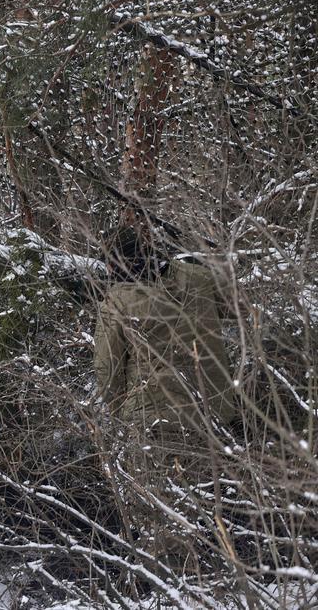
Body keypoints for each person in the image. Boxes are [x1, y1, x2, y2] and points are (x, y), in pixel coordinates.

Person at [93, 227, 237, 569]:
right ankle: (213, 579)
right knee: (206, 508)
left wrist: (119, 413)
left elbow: (107, 371)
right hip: (212, 412)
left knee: (160, 517)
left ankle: (172, 584)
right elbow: (233, 308)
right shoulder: (199, 278)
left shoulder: (119, 300)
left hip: (152, 419)